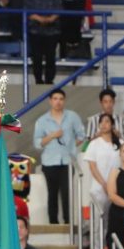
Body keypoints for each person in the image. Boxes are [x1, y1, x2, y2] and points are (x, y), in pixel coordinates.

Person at [34, 90, 86, 226]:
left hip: (67, 161)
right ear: (50, 101)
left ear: (64, 100)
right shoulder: (42, 120)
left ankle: (68, 222)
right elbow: (37, 143)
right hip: (49, 162)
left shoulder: (72, 116)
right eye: (55, 98)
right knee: (52, 194)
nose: (58, 102)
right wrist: (52, 136)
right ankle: (53, 223)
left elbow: (81, 135)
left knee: (67, 193)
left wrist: (72, 146)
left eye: (61, 99)